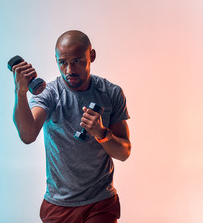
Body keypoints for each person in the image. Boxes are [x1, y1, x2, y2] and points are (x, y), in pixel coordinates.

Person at [12, 30, 131, 223]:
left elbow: (123, 153)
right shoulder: (49, 93)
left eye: (77, 61)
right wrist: (21, 93)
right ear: (56, 60)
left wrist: (101, 133)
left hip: (100, 201)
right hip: (59, 204)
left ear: (91, 56)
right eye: (63, 62)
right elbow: (28, 135)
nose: (69, 70)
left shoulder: (111, 93)